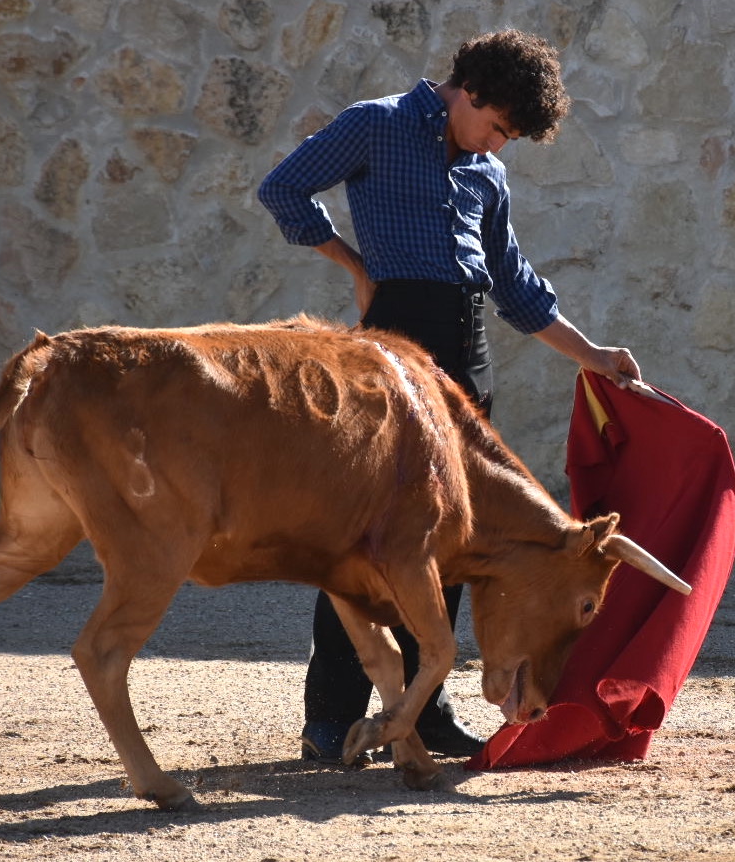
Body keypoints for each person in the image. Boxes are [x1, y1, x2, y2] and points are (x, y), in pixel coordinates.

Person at [257, 29, 643, 764]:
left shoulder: (486, 175)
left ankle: (422, 713)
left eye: (509, 138)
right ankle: (329, 717)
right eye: (497, 127)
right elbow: (281, 189)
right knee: (361, 540)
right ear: (468, 92)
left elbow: (516, 289)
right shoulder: (376, 124)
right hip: (390, 360)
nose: (496, 147)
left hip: (466, 365)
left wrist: (593, 356)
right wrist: (351, 265)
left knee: (455, 544)